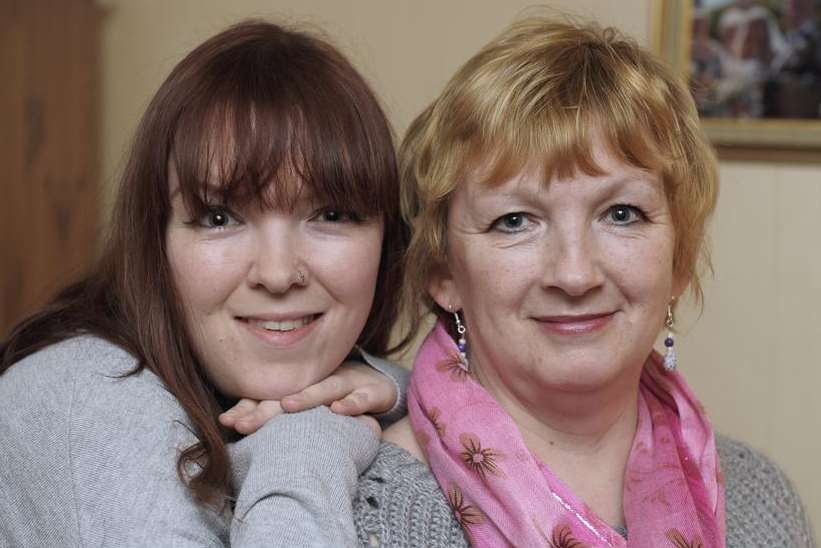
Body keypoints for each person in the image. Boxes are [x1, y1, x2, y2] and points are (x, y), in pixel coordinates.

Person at [353, 17, 815, 547]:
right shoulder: (371, 513)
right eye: (514, 221)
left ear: (679, 260)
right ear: (443, 271)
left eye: (621, 213)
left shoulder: (762, 500)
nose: (574, 274)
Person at [0, 20, 412, 546]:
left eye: (331, 214)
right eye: (220, 218)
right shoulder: (88, 401)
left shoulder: (232, 375)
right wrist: (310, 435)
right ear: (156, 241)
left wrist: (398, 391)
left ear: (387, 239)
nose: (279, 273)